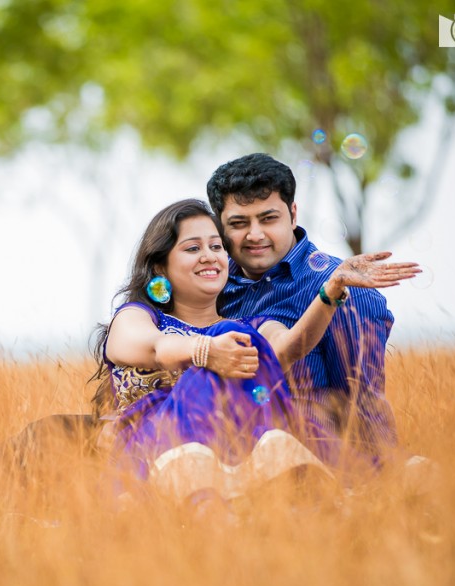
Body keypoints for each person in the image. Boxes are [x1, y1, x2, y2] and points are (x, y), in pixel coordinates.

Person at [92, 199, 418, 505]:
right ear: (160, 267)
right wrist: (208, 350)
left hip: (233, 451)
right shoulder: (137, 316)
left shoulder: (247, 326)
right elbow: (156, 347)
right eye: (193, 248)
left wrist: (330, 290)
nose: (209, 256)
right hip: (153, 451)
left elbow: (289, 348)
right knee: (230, 336)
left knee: (247, 347)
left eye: (216, 247)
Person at [206, 153, 400, 470]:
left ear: (293, 215)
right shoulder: (211, 282)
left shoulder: (343, 290)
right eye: (239, 223)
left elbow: (361, 406)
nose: (254, 235)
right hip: (224, 475)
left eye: (268, 219)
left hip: (314, 477)